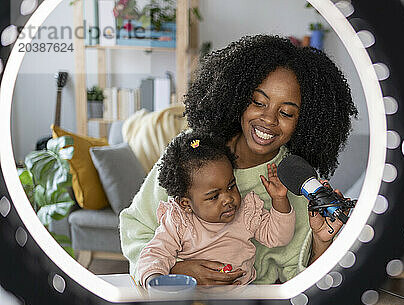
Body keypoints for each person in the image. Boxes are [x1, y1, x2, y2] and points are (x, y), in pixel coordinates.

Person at [120, 34, 357, 285]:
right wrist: (177, 271)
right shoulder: (193, 154)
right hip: (176, 300)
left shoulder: (295, 180)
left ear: (306, 121)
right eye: (258, 102)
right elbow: (137, 226)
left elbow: (299, 281)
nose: (269, 119)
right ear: (239, 97)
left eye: (286, 112)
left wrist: (322, 242)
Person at [135, 131, 296, 287]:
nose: (228, 199)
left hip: (241, 296)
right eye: (213, 196)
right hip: (192, 297)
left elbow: (278, 237)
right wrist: (155, 280)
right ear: (186, 204)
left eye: (231, 186)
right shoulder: (179, 222)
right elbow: (155, 254)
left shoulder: (246, 214)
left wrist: (280, 199)